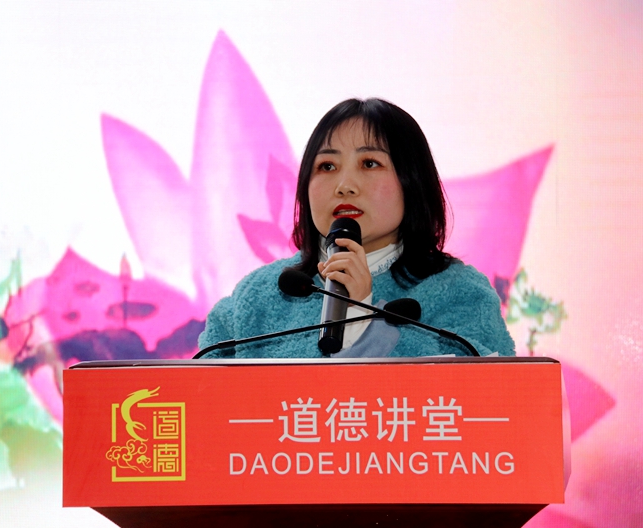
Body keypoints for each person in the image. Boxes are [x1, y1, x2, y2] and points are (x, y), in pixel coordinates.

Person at [198, 98, 515, 358]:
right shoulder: (258, 296)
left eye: (369, 163)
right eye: (327, 166)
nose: (345, 185)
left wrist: (363, 321)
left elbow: (487, 400)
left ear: (412, 181)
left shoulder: (460, 293)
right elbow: (200, 395)